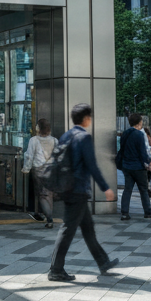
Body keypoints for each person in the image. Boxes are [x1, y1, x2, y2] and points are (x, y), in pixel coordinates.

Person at [48, 103, 119, 282]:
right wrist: (106, 188)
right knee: (67, 230)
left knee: (88, 228)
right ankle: (56, 270)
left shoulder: (66, 135)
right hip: (78, 189)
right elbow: (91, 165)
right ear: (86, 118)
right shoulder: (83, 137)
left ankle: (103, 262)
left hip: (68, 188)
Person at [119, 113, 151, 220]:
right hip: (138, 167)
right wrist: (148, 164)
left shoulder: (125, 134)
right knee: (143, 189)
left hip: (126, 166)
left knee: (127, 190)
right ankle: (148, 211)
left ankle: (124, 212)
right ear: (139, 122)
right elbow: (142, 152)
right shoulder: (140, 135)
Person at [22, 118, 58, 228]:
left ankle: (49, 219)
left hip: (38, 170)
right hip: (51, 170)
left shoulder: (34, 140)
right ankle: (49, 218)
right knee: (49, 195)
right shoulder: (55, 140)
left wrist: (26, 169)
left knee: (42, 195)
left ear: (38, 128)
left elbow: (29, 156)